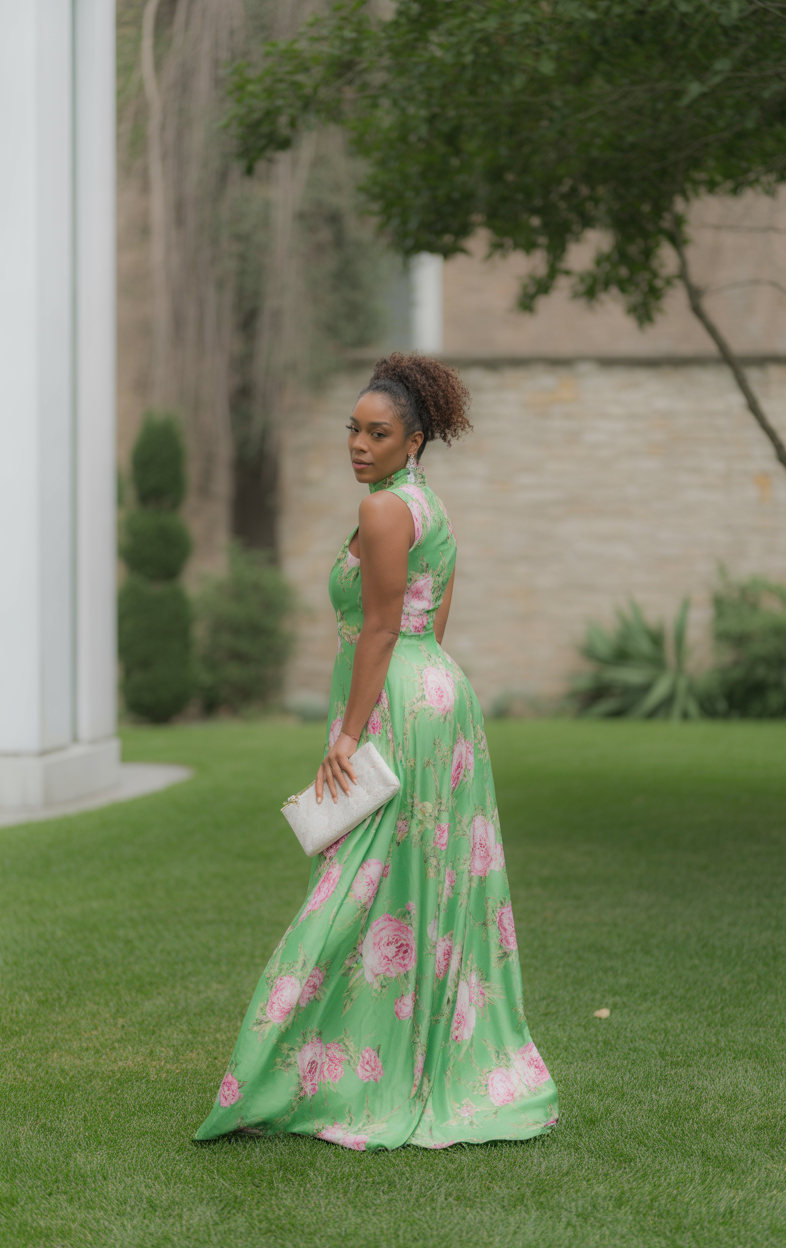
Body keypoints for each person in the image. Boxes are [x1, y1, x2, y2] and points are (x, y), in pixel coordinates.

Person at [194, 352, 558, 1151]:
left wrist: (352, 733)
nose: (359, 444)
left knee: (354, 885)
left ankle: (304, 1069)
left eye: (378, 433)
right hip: (435, 697)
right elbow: (431, 618)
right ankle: (384, 1059)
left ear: (414, 440)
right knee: (416, 882)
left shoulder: (387, 510)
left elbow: (383, 628)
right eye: (353, 429)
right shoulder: (427, 505)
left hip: (394, 703)